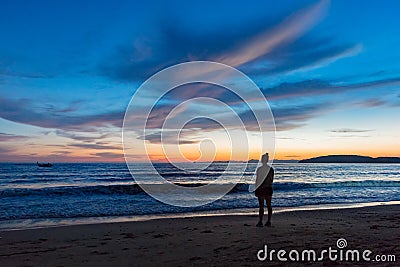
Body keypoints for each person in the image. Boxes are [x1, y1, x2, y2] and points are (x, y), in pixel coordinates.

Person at [255, 153, 274, 227]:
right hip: (268, 188)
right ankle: (268, 221)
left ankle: (260, 221)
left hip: (262, 188)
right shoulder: (271, 169)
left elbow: (257, 180)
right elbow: (271, 179)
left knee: (261, 206)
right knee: (268, 205)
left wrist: (256, 188)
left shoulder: (259, 169)